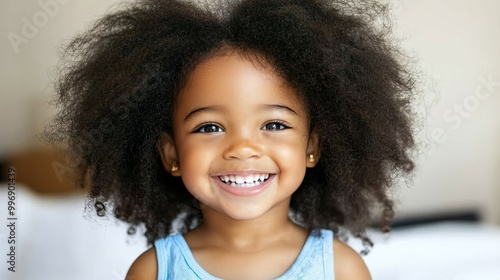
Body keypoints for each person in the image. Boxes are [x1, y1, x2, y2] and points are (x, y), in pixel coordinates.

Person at [47, 0, 417, 279]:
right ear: (171, 154)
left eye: (273, 124)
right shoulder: (154, 271)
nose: (242, 148)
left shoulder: (340, 269)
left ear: (312, 147)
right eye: (209, 127)